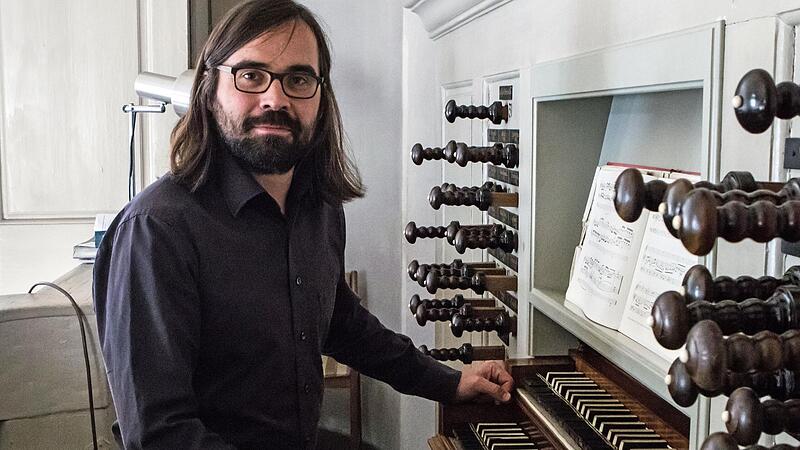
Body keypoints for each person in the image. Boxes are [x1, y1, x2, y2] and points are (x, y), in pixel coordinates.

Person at [93, 1, 513, 448]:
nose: (275, 99)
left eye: (297, 79)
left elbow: (340, 323)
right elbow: (160, 435)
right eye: (251, 75)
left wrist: (448, 383)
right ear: (210, 89)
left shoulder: (319, 208)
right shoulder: (156, 228)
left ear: (320, 97)